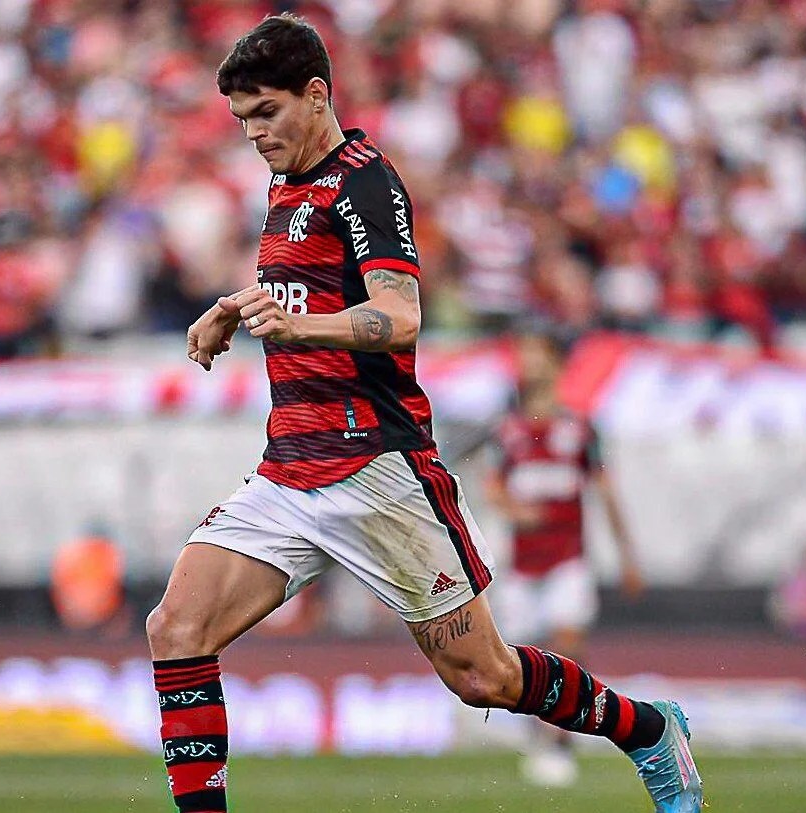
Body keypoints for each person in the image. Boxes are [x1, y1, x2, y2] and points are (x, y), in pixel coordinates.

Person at [145, 14, 702, 813]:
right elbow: (310, 286)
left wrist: (297, 323)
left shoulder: (366, 183)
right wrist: (238, 306)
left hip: (377, 468)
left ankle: (647, 728)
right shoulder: (284, 183)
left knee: (485, 676)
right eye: (242, 119)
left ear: (316, 95)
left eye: (266, 112)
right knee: (176, 628)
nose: (254, 133)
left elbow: (400, 316)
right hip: (290, 471)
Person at [484, 332, 645, 787]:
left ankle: (558, 743)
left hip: (568, 558)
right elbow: (493, 486)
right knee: (522, 662)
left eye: (535, 353)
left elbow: (606, 491)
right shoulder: (508, 430)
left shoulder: (581, 430)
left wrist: (628, 556)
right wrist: (515, 510)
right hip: (522, 564)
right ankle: (540, 737)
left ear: (556, 363)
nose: (526, 362)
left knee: (567, 647)